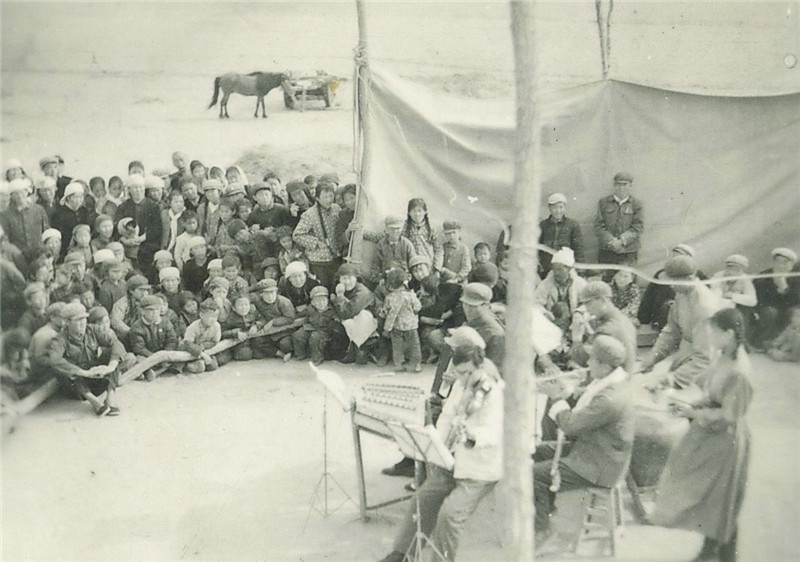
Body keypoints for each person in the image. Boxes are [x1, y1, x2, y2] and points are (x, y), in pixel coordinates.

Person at [378, 343, 504, 562]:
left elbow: (497, 432)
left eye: (467, 373)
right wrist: (437, 444)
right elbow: (446, 417)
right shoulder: (460, 386)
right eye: (459, 373)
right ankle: (403, 554)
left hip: (480, 469)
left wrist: (473, 435)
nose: (463, 379)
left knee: (450, 515)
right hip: (453, 461)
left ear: (480, 366)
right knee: (422, 499)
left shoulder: (494, 392)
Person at [651, 308, 753, 562]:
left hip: (727, 439)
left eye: (714, 333)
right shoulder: (723, 354)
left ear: (728, 334)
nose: (710, 338)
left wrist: (693, 412)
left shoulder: (740, 370)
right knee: (711, 499)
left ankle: (721, 555)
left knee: (722, 501)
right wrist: (673, 384)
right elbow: (709, 386)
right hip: (712, 434)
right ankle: (712, 551)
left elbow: (730, 415)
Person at [533, 335, 635, 548]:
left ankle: (541, 530)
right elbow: (587, 399)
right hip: (598, 451)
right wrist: (564, 388)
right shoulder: (613, 383)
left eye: (592, 360)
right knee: (537, 451)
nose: (587, 363)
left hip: (598, 466)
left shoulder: (609, 398)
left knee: (531, 474)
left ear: (604, 367)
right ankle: (547, 511)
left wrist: (556, 397)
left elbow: (570, 425)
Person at [640, 256, 726, 389]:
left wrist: (671, 380)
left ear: (689, 279)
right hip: (688, 351)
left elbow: (705, 358)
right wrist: (653, 357)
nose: (671, 286)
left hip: (706, 364)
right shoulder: (682, 293)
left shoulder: (704, 306)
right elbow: (672, 330)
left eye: (674, 282)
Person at [47, 303, 131, 417]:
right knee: (64, 366)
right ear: (67, 322)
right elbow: (54, 359)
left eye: (84, 318)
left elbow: (115, 342)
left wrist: (111, 366)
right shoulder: (60, 339)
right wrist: (84, 373)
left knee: (113, 356)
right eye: (78, 320)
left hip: (96, 378)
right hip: (77, 387)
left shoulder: (92, 329)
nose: (83, 323)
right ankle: (94, 402)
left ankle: (110, 398)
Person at [637, 243, 700, 331]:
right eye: (674, 257)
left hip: (685, 317)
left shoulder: (696, 276)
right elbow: (648, 297)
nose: (675, 260)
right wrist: (643, 320)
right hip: (663, 315)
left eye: (679, 258)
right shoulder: (661, 274)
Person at [292, 182, 342, 289]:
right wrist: (316, 242)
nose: (329, 200)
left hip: (336, 255)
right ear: (318, 198)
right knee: (323, 288)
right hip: (319, 260)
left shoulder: (336, 209)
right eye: (325, 197)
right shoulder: (309, 214)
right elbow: (297, 235)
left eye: (331, 196)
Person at [594, 172, 644, 268]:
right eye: (618, 184)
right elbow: (599, 226)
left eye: (625, 184)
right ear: (614, 185)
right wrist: (611, 241)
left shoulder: (636, 204)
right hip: (607, 250)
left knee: (626, 277)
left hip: (628, 251)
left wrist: (621, 241)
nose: (621, 188)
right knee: (605, 276)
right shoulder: (604, 202)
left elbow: (638, 228)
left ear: (631, 185)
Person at [752, 247, 799, 349]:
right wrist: (776, 288)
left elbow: (796, 300)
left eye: (785, 263)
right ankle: (760, 341)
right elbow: (759, 299)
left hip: (786, 311)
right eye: (777, 262)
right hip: (767, 309)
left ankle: (783, 343)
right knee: (771, 311)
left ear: (791, 265)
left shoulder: (796, 278)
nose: (780, 265)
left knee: (794, 312)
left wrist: (784, 289)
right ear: (773, 263)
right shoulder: (764, 276)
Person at [291, 285, 348, 365]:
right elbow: (300, 315)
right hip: (311, 327)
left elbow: (338, 322)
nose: (321, 303)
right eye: (317, 301)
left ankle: (317, 359)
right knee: (298, 335)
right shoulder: (310, 308)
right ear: (312, 302)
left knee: (315, 338)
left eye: (323, 300)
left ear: (327, 300)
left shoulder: (332, 310)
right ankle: (300, 354)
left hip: (325, 331)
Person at [128, 295, 179, 381]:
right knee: (139, 359)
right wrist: (157, 358)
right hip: (148, 356)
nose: (155, 312)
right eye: (151, 310)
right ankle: (153, 370)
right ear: (142, 311)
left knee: (179, 350)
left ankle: (158, 370)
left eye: (157, 309)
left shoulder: (166, 322)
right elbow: (139, 349)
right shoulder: (137, 327)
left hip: (164, 354)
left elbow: (172, 340)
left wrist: (165, 354)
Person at [382, 268, 423, 373]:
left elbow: (385, 311)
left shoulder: (389, 297)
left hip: (396, 325)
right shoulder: (411, 295)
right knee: (414, 345)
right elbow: (418, 307)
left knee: (397, 346)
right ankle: (417, 364)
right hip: (411, 325)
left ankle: (399, 364)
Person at [0, 178, 49, 264]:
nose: (20, 196)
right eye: (16, 194)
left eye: (22, 192)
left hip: (39, 255)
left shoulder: (38, 210)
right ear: (11, 196)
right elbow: (5, 239)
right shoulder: (5, 215)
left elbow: (46, 232)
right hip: (18, 257)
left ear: (27, 192)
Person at [539, 192, 584, 276]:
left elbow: (578, 247)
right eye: (554, 208)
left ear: (565, 207)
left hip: (565, 266)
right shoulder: (543, 225)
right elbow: (539, 247)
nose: (558, 211)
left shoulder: (572, 225)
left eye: (561, 207)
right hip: (547, 266)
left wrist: (579, 268)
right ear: (549, 208)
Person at [402, 198, 444, 273]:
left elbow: (439, 249)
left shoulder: (431, 228)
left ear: (425, 212)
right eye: (414, 211)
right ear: (409, 213)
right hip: (411, 268)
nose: (417, 214)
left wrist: (437, 268)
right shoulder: (404, 228)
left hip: (429, 268)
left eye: (419, 211)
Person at [181, 299, 222, 373]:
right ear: (202, 315)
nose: (214, 319)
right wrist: (201, 353)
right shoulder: (193, 327)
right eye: (211, 316)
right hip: (191, 350)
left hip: (205, 349)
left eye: (216, 316)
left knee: (213, 366)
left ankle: (200, 362)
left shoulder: (216, 326)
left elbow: (214, 342)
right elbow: (187, 344)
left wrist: (203, 346)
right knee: (199, 366)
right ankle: (188, 365)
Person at [50, 182, 89, 259]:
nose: (79, 200)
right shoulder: (59, 214)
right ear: (68, 198)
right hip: (65, 249)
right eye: (76, 197)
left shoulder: (84, 211)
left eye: (81, 197)